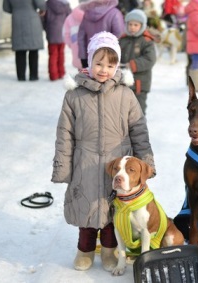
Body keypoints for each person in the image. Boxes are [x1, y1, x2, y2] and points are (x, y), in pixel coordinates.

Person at [51, 31, 155, 271]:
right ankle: (84, 251)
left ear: (117, 65)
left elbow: (139, 130)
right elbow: (64, 134)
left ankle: (110, 251)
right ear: (89, 60)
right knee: (86, 208)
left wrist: (147, 162)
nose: (104, 69)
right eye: (98, 63)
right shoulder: (74, 96)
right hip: (84, 162)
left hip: (116, 164)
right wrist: (63, 168)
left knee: (113, 211)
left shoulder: (125, 95)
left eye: (110, 64)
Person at [119, 9, 157, 115]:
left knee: (138, 109)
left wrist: (132, 65)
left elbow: (150, 59)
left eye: (136, 25)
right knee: (123, 108)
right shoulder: (122, 40)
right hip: (123, 81)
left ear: (142, 25)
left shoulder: (146, 41)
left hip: (140, 83)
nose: (132, 27)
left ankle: (139, 129)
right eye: (130, 24)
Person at [3, 0, 46, 81]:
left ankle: (21, 76)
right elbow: (40, 4)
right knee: (33, 49)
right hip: (32, 19)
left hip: (17, 19)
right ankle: (33, 75)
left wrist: (16, 10)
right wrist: (42, 9)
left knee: (20, 50)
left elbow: (6, 8)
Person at [78, 0, 125, 68]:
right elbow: (120, 33)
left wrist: (83, 57)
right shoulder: (115, 13)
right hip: (109, 58)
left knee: (89, 78)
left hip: (89, 56)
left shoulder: (87, 13)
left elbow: (81, 36)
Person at [43, 0, 71, 81]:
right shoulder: (66, 5)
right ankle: (61, 73)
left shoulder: (47, 4)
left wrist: (47, 28)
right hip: (62, 31)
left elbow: (43, 18)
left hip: (52, 31)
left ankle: (53, 75)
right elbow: (70, 19)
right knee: (61, 53)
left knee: (53, 54)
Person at [63, 3, 86, 70]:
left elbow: (65, 33)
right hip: (91, 51)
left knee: (81, 73)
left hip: (76, 49)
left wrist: (71, 44)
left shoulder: (70, 17)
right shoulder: (92, 15)